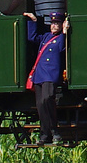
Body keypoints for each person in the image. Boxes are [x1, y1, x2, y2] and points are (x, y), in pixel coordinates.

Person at [27, 13, 68, 144]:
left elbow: (64, 47)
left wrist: (66, 31)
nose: (54, 26)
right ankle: (45, 134)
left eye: (57, 23)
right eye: (53, 23)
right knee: (40, 104)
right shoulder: (46, 37)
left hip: (51, 74)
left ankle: (54, 130)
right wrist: (33, 21)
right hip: (39, 74)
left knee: (47, 99)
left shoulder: (62, 38)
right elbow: (32, 37)